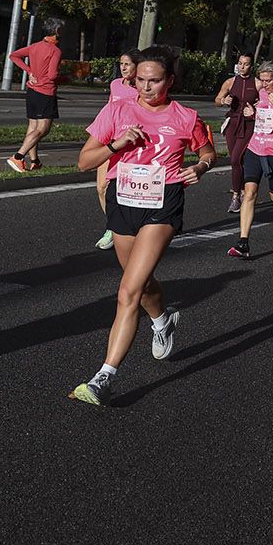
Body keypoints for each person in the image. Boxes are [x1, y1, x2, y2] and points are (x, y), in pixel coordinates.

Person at [68, 46, 216, 406]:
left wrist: (200, 167)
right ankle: (163, 318)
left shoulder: (185, 116)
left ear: (170, 80)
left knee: (127, 291)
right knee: (142, 282)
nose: (146, 87)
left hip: (162, 205)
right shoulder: (117, 110)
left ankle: (104, 377)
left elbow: (208, 151)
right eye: (140, 80)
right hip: (123, 201)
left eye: (154, 81)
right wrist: (117, 144)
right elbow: (84, 162)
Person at [226, 60, 273, 259]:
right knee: (249, 193)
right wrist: (253, 113)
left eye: (268, 81)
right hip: (255, 148)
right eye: (262, 80)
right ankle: (243, 242)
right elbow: (263, 116)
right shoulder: (262, 93)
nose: (264, 84)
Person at [94, 50, 140, 250]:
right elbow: (109, 109)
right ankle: (112, 227)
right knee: (101, 187)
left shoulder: (142, 89)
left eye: (128, 64)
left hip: (130, 146)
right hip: (110, 141)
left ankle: (130, 228)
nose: (123, 67)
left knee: (126, 191)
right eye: (121, 63)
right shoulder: (115, 84)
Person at [6, 17, 65, 173]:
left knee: (33, 127)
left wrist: (29, 70)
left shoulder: (34, 46)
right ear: (57, 31)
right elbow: (52, 75)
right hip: (46, 92)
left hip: (32, 91)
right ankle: (18, 157)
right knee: (43, 129)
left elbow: (13, 55)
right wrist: (65, 78)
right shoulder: (55, 51)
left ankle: (35, 161)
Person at [214, 53, 259, 213]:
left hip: (249, 125)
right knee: (237, 161)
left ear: (251, 66)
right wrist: (223, 101)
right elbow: (217, 99)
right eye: (240, 63)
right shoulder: (230, 82)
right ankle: (241, 192)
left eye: (246, 64)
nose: (242, 66)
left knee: (235, 159)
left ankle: (235, 197)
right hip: (233, 124)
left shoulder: (258, 84)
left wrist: (254, 110)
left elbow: (266, 104)